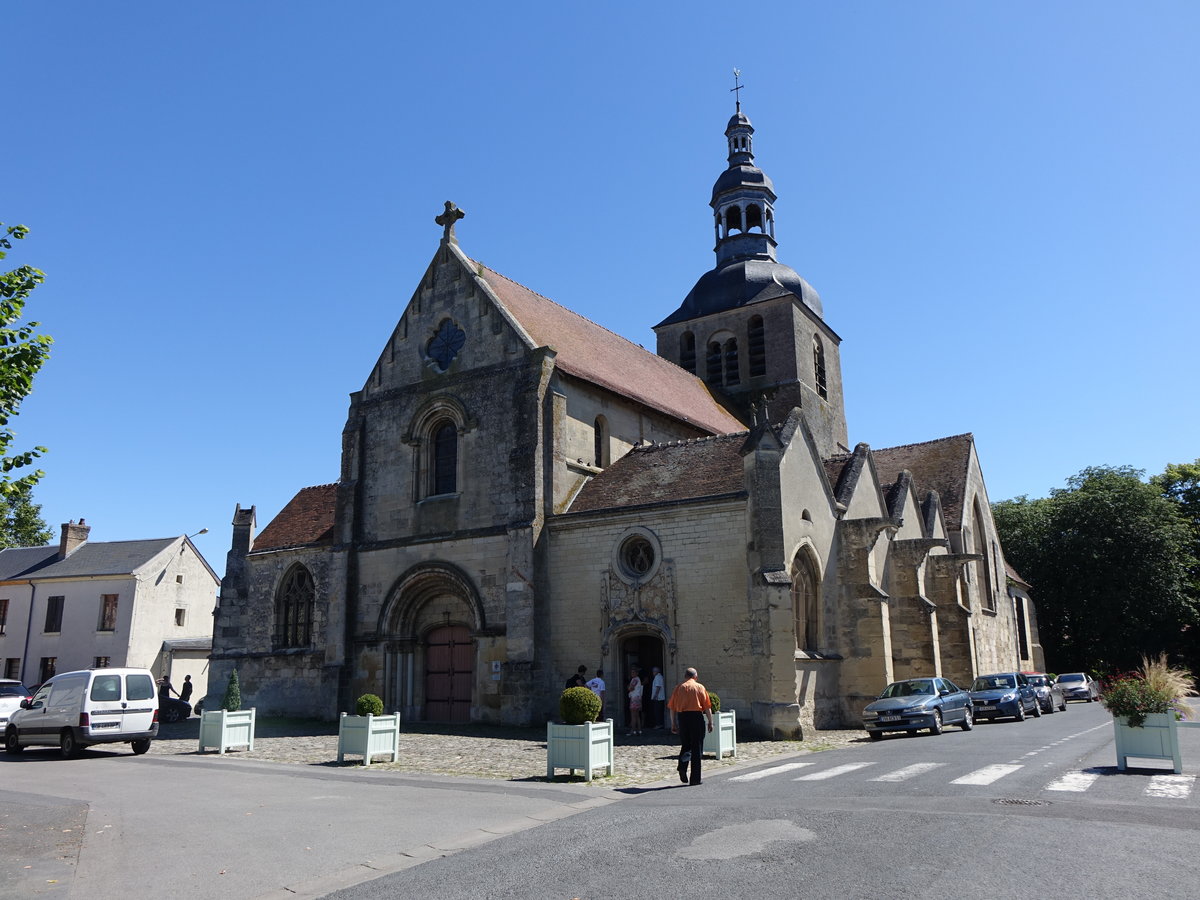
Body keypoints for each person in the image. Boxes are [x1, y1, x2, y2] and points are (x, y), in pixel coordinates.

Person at [668, 667, 713, 786]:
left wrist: (673, 723)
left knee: (686, 744)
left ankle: (682, 766)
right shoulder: (699, 687)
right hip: (696, 717)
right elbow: (707, 706)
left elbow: (672, 707)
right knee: (697, 747)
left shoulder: (678, 688)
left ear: (685, 676)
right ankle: (695, 779)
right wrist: (710, 721)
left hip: (682, 717)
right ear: (695, 677)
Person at [627, 666, 644, 735]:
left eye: (633, 672)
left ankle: (633, 730)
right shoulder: (638, 679)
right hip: (638, 698)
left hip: (634, 698)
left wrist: (628, 687)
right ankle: (639, 730)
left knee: (633, 715)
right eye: (631, 672)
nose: (632, 674)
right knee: (637, 715)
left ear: (637, 673)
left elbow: (630, 688)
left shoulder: (635, 679)